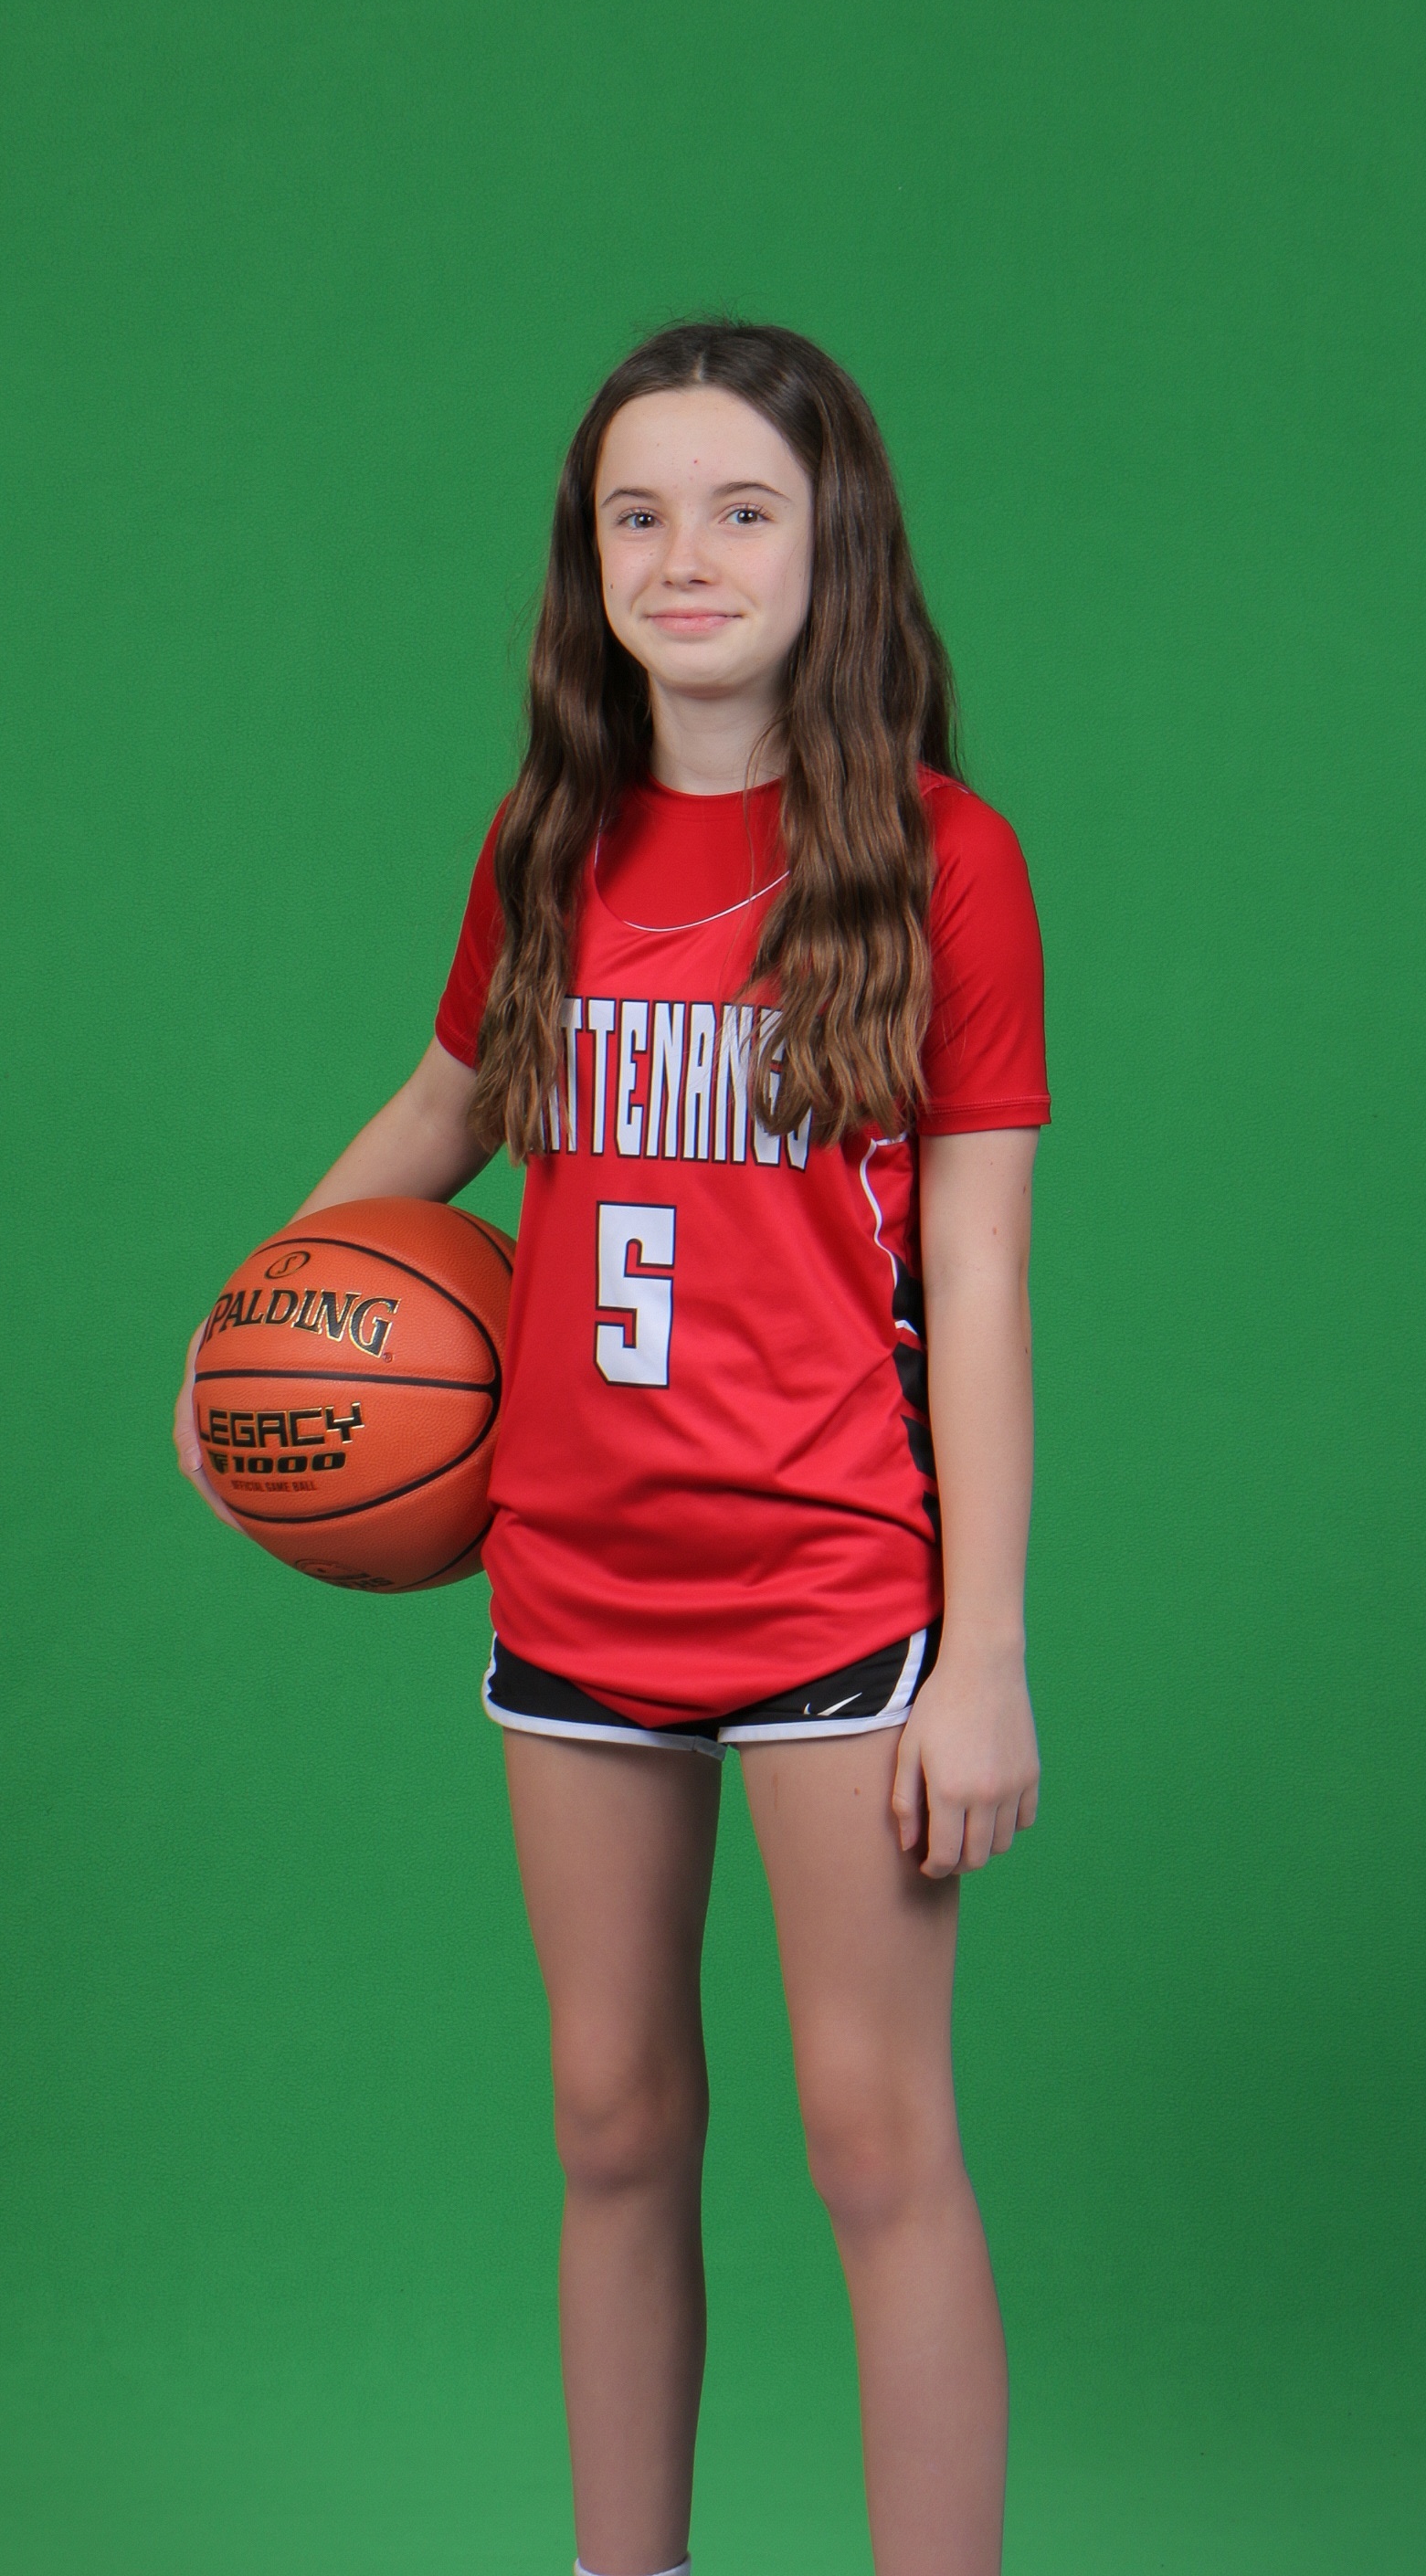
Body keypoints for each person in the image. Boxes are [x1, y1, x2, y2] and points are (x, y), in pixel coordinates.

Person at [174, 321, 1049, 2576]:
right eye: (636, 514)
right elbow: (443, 1110)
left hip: (832, 1583)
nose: (686, 557)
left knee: (873, 2141)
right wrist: (248, 1334)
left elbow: (977, 1275)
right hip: (571, 1566)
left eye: (742, 510)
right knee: (608, 2118)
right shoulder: (549, 841)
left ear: (833, 548)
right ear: (588, 558)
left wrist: (983, 1655)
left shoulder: (941, 860)